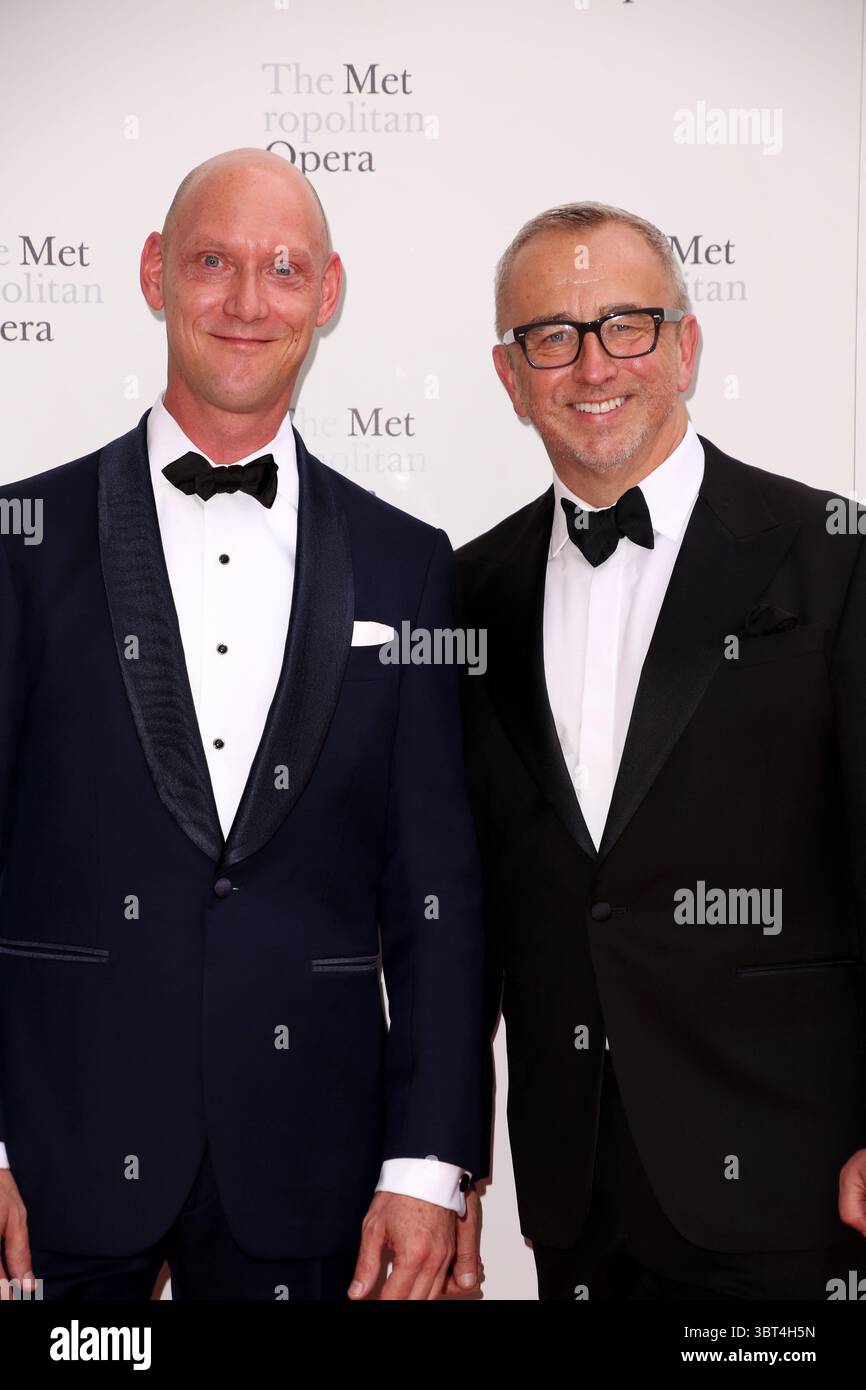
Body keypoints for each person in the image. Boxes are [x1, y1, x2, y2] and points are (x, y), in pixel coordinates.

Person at [0, 149, 484, 1302]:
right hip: (57, 1153)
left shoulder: (408, 566)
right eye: (214, 261)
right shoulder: (22, 541)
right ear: (156, 273)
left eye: (284, 269)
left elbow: (439, 892)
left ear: (327, 294)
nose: (247, 301)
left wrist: (427, 1165)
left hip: (313, 1166)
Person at [456, 201, 866, 1299]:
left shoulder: (829, 557)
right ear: (510, 377)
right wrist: (446, 1161)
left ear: (684, 345)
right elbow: (466, 911)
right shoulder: (467, 591)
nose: (591, 364)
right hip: (574, 1191)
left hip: (796, 1181)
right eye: (550, 334)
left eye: (625, 325)